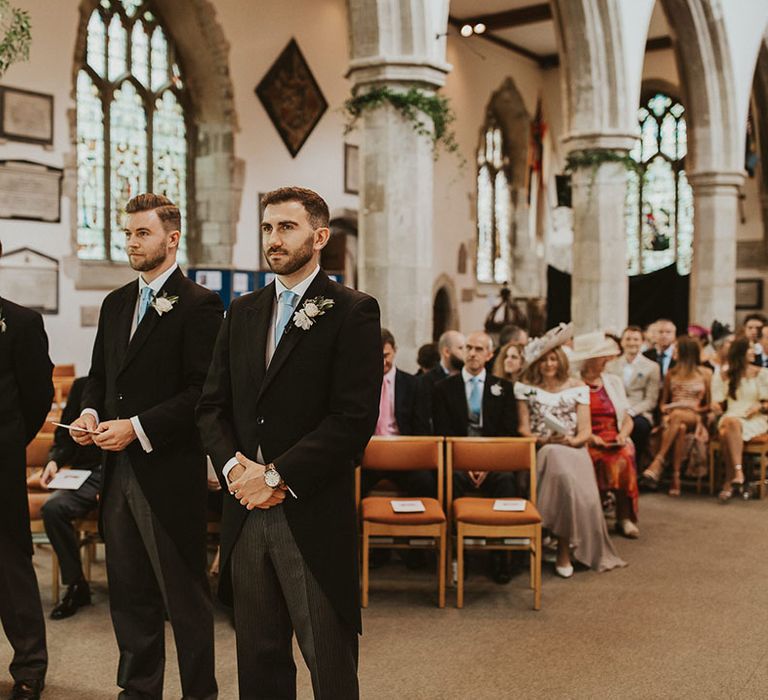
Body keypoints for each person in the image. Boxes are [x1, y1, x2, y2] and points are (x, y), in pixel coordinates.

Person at [197, 186, 381, 699]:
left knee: (328, 660)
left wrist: (275, 476)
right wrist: (236, 472)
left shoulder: (352, 310)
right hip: (245, 511)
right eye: (266, 228)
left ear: (319, 236)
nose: (273, 239)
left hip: (309, 510)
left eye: (286, 227)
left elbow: (352, 419)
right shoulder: (244, 310)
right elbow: (212, 405)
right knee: (258, 660)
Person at [70, 194, 222, 699]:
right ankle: (138, 690)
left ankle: (200, 692)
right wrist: (91, 413)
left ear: (172, 238)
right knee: (129, 594)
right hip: (117, 475)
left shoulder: (200, 305)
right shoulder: (115, 304)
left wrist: (136, 426)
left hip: (168, 473)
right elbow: (99, 377)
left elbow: (201, 392)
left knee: (185, 599)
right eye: (129, 233)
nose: (132, 242)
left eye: (143, 233)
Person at [515, 323, 626, 578]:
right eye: (544, 360)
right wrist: (545, 439)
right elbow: (522, 428)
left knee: (570, 478)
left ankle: (565, 545)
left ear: (561, 360)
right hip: (543, 448)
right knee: (557, 464)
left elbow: (585, 430)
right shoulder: (525, 387)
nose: (549, 364)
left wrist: (573, 441)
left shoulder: (577, 387)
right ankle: (559, 545)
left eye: (554, 359)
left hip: (574, 448)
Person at [0, 246, 54, 700]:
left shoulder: (19, 322)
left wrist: (9, 442)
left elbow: (37, 396)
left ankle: (30, 666)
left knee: (11, 565)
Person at [432, 331, 519, 584]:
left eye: (479, 349)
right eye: (468, 348)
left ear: (489, 355)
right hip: (458, 461)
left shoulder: (503, 388)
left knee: (506, 482)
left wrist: (488, 464)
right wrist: (465, 463)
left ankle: (500, 556)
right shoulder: (443, 388)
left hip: (493, 463)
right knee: (452, 482)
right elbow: (443, 433)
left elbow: (508, 433)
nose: (471, 353)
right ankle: (460, 557)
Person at [39, 376, 102, 620]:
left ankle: (151, 590)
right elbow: (64, 436)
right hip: (87, 473)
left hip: (126, 473)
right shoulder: (82, 386)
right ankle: (76, 584)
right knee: (53, 508)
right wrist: (54, 461)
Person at [574, 333, 640, 539]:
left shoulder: (613, 382)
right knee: (594, 457)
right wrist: (591, 436)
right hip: (588, 436)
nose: (607, 361)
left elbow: (627, 417)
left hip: (615, 434)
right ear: (590, 359)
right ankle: (593, 513)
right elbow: (571, 421)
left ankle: (624, 516)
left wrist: (622, 434)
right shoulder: (574, 383)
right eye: (602, 357)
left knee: (625, 454)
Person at [361, 328, 432, 497]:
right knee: (347, 484)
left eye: (386, 356)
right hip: (370, 457)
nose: (381, 362)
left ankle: (419, 523)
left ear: (395, 351)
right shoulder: (362, 384)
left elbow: (421, 428)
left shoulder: (413, 384)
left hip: (404, 456)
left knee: (426, 482)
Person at [640, 336, 712, 496]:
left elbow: (709, 405)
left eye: (677, 349)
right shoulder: (671, 373)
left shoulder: (705, 373)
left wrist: (691, 407)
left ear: (686, 353)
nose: (674, 351)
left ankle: (658, 461)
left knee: (679, 416)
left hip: (694, 415)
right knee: (679, 427)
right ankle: (675, 477)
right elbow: (663, 402)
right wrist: (667, 408)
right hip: (672, 416)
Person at [711, 337, 768, 502]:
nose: (754, 351)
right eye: (750, 348)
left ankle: (730, 480)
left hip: (754, 419)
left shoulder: (761, 373)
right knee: (730, 422)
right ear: (741, 352)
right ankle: (738, 472)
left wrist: (759, 407)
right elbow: (718, 401)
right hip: (732, 415)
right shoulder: (724, 375)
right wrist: (715, 406)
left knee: (724, 433)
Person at [605, 326, 660, 462]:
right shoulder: (610, 365)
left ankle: (634, 464)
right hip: (615, 410)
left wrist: (631, 411)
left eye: (636, 339)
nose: (631, 343)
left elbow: (650, 400)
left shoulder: (652, 367)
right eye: (628, 339)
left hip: (638, 412)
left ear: (642, 342)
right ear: (622, 342)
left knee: (639, 427)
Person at [413, 330, 465, 435]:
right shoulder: (425, 381)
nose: (466, 353)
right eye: (460, 348)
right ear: (446, 352)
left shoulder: (468, 378)